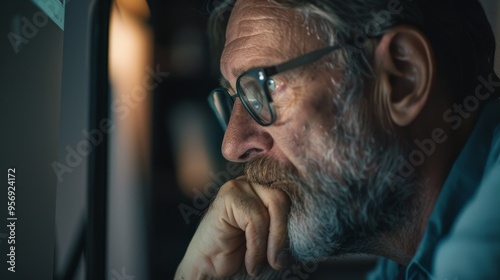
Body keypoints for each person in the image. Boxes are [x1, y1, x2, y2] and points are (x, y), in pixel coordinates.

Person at [175, 0, 500, 279]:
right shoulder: (409, 263)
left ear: (403, 78)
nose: (232, 145)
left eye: (267, 89)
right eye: (236, 98)